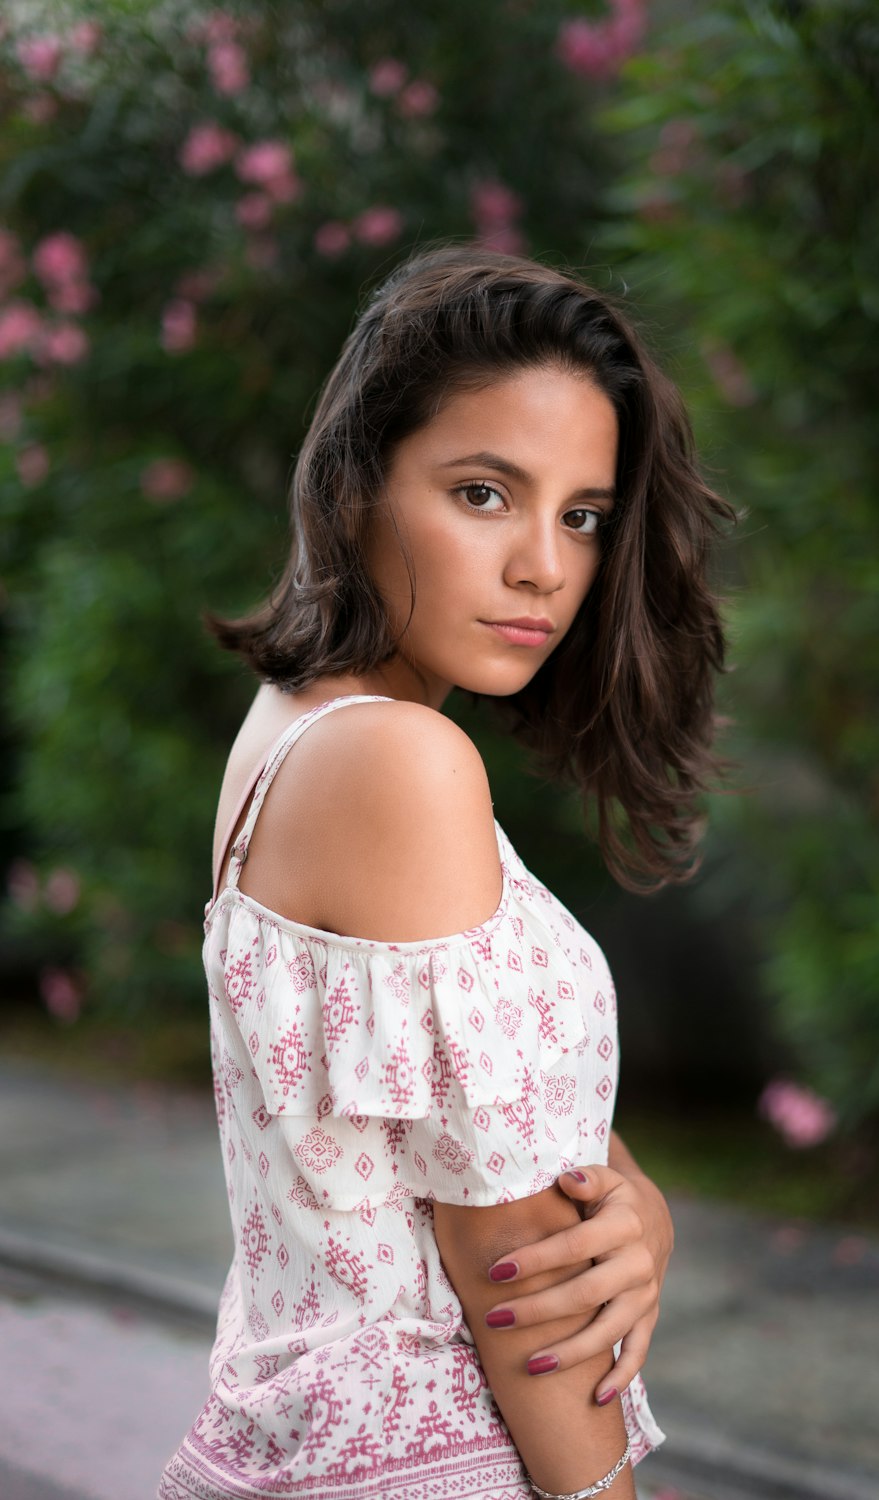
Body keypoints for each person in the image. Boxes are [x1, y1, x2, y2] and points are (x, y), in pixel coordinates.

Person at [158, 243, 732, 1500]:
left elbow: (480, 1116)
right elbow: (508, 1260)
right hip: (433, 1459)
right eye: (484, 493)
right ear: (358, 481)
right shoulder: (397, 763)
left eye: (581, 515)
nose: (544, 566)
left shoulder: (299, 726)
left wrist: (644, 1208)